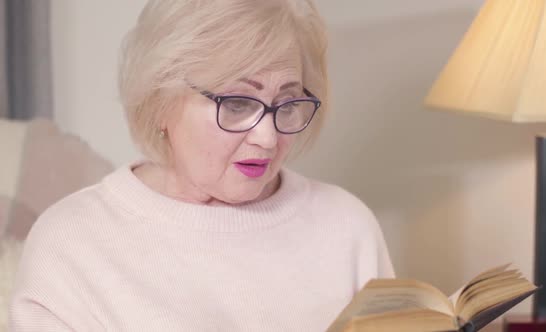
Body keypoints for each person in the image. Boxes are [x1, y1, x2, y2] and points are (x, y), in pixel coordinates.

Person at [9, 0, 395, 331]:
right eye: (238, 103)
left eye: (287, 103)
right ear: (161, 100)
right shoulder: (74, 243)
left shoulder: (346, 226)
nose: (267, 138)